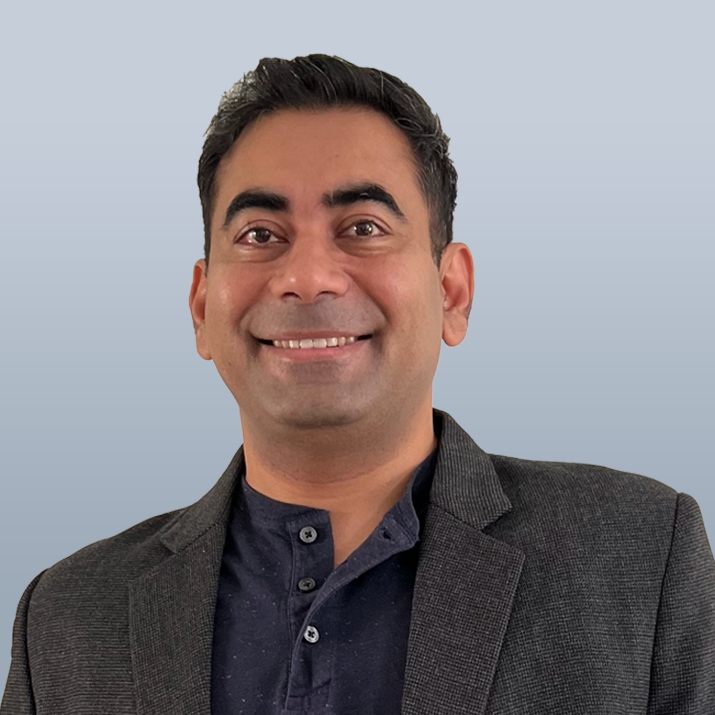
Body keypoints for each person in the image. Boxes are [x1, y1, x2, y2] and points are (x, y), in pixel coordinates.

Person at [2, 54, 713, 715]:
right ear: (201, 307)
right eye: (259, 234)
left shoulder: (640, 558)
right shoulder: (66, 618)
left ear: (452, 292)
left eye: (363, 227)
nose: (307, 277)